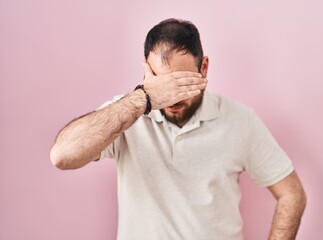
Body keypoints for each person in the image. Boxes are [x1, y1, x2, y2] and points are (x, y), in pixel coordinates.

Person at [50, 18, 306, 240]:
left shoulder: (240, 120)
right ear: (147, 72)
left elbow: (292, 194)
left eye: (181, 82)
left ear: (203, 68)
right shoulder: (125, 115)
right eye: (163, 83)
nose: (171, 98)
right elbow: (62, 156)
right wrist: (143, 99)